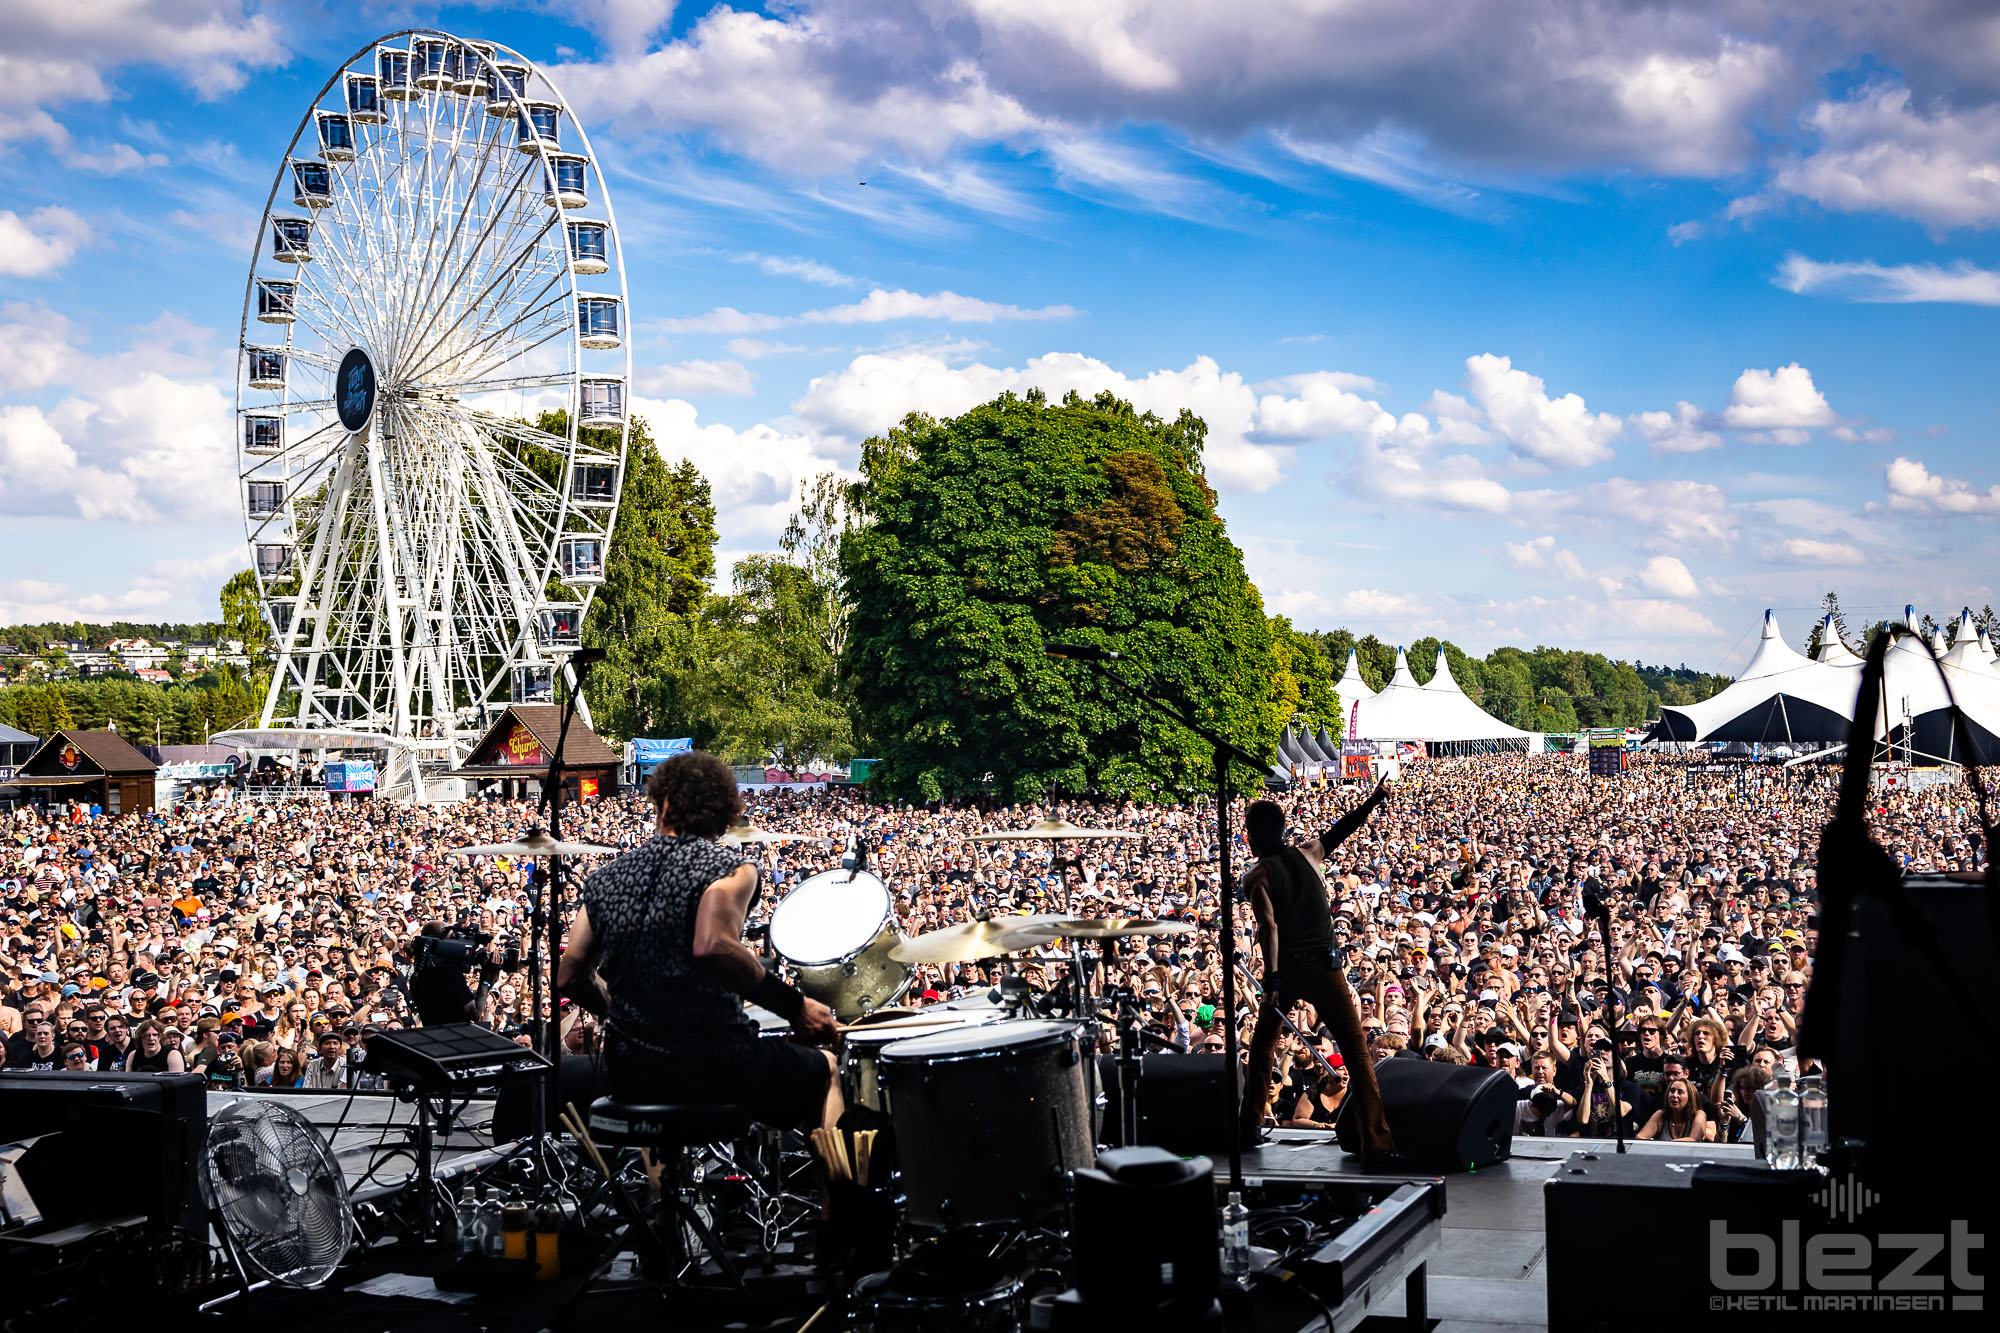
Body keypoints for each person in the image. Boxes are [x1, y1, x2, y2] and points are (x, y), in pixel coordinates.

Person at [557, 751, 843, 1134]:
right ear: (724, 811)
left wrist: (622, 1014)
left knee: (655, 1105)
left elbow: (569, 976)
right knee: (825, 1068)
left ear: (663, 802)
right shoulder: (731, 870)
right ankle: (839, 1195)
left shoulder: (606, 879)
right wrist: (795, 1007)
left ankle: (663, 1193)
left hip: (631, 1067)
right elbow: (713, 945)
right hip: (716, 1060)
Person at [1239, 780, 1397, 1156]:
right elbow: (1341, 830)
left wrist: (1273, 976)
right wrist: (1371, 800)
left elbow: (1269, 927)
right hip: (1327, 968)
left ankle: (1248, 1127)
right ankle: (1377, 1141)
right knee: (1357, 1055)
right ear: (1282, 830)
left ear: (1250, 838)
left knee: (1262, 1047)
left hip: (1289, 970)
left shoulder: (1256, 877)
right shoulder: (1308, 853)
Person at [1637, 1076, 1709, 1142]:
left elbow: (1693, 1140)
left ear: (1690, 1097)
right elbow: (1639, 1137)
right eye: (1672, 1091)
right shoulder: (1661, 1114)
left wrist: (1665, 1144)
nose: (1674, 1095)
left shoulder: (1699, 1114)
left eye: (1680, 1092)